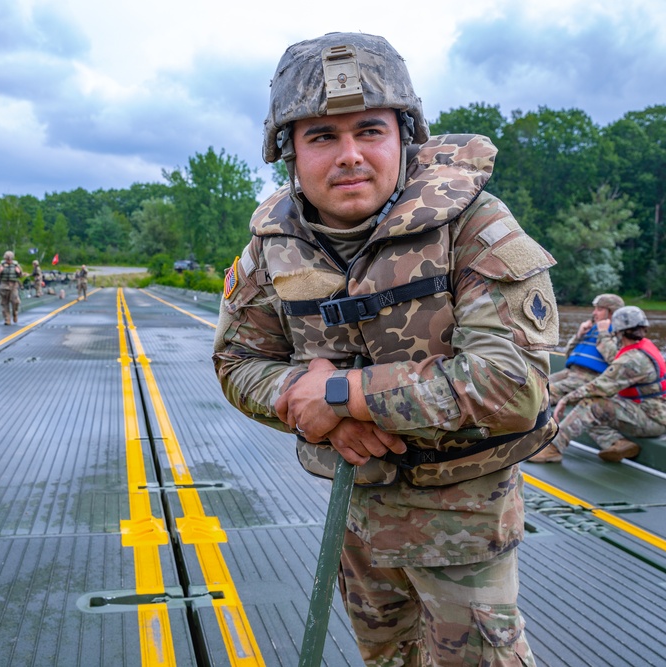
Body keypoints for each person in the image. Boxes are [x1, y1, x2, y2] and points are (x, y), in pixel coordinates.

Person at [212, 32, 559, 666]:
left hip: (462, 527)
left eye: (369, 131)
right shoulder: (273, 242)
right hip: (358, 511)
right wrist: (301, 401)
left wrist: (345, 396)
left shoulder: (473, 225)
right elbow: (238, 362)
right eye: (321, 137)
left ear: (404, 137)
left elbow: (514, 384)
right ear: (289, 152)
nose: (349, 156)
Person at [529, 305, 666, 464]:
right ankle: (618, 443)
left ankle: (553, 448)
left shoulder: (632, 359)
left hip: (653, 417)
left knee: (590, 405)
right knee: (592, 412)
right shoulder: (642, 347)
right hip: (650, 409)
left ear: (619, 331)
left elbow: (599, 386)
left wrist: (566, 399)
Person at [547, 293, 623, 404]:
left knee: (546, 392)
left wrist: (603, 333)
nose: (594, 313)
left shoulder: (618, 333)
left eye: (599, 309)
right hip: (569, 372)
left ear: (611, 312)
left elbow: (614, 361)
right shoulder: (591, 329)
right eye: (595, 309)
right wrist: (579, 336)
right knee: (535, 386)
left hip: (590, 378)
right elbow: (569, 355)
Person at [0, 250, 23, 325]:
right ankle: (7, 319)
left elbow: (21, 275)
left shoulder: (16, 265)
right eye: (7, 258)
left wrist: (19, 272)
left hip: (13, 286)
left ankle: (15, 313)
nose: (8, 260)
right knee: (4, 303)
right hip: (4, 285)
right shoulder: (1, 265)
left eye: (10, 258)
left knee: (15, 302)